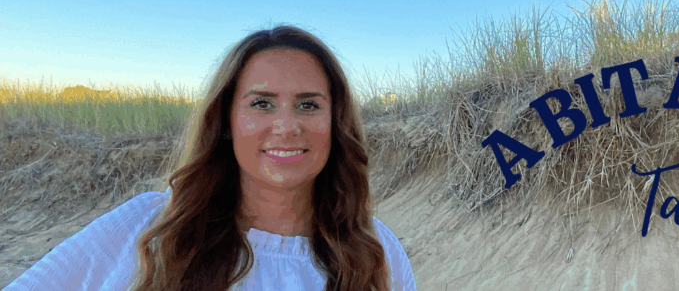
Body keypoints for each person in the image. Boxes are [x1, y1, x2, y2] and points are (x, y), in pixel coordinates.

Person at [4, 26, 416, 290]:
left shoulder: (377, 252)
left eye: (309, 105)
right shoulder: (147, 228)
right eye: (261, 104)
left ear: (336, 122)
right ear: (226, 121)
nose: (287, 126)